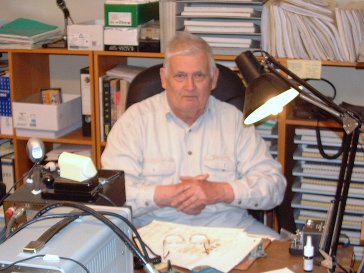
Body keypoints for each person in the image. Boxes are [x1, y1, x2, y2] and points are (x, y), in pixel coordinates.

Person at [101, 32, 286, 239]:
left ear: (213, 79)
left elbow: (273, 186)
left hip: (230, 231)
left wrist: (219, 191)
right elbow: (110, 195)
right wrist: (167, 195)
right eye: (180, 76)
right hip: (155, 234)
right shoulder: (134, 122)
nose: (190, 87)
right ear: (164, 78)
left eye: (199, 76)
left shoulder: (234, 121)